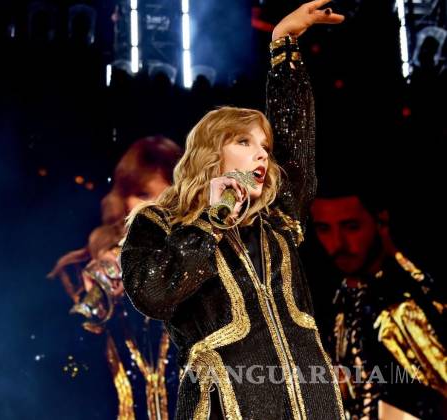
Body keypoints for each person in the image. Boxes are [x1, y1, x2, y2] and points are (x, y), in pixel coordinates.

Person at [120, 1, 345, 419]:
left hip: (313, 404)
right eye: (244, 142)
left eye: (264, 147)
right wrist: (211, 220)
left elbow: (296, 142)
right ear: (211, 152)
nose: (261, 154)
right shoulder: (159, 224)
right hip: (226, 405)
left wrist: (284, 43)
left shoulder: (277, 218)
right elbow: (154, 294)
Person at [48, 136, 182, 419]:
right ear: (123, 198)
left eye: (167, 198)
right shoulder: (81, 270)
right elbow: (63, 371)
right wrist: (98, 305)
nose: (153, 209)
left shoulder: (194, 269)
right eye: (143, 195)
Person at [310, 186, 447, 419]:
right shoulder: (340, 299)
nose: (337, 244)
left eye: (351, 227)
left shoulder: (403, 308)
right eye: (324, 229)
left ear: (380, 221)